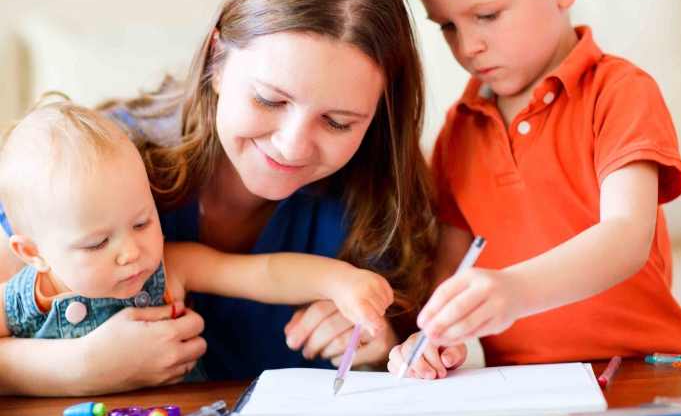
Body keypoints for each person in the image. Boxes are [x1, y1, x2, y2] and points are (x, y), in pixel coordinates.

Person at [0, 0, 438, 395]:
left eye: (338, 122)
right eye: (269, 100)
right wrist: (80, 367)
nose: (292, 146)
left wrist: (384, 344)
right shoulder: (95, 171)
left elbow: (410, 344)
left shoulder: (381, 197)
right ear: (217, 61)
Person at [388, 0, 681, 380]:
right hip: (524, 386)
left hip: (644, 368)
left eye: (487, 15)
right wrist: (436, 334)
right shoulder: (457, 133)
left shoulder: (621, 92)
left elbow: (627, 235)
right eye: (447, 26)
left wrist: (516, 291)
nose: (467, 46)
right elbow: (450, 274)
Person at [0, 100, 393, 368]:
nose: (131, 252)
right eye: (97, 243)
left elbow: (261, 273)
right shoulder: (21, 300)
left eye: (142, 223)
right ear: (33, 253)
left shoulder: (170, 268)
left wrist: (342, 281)